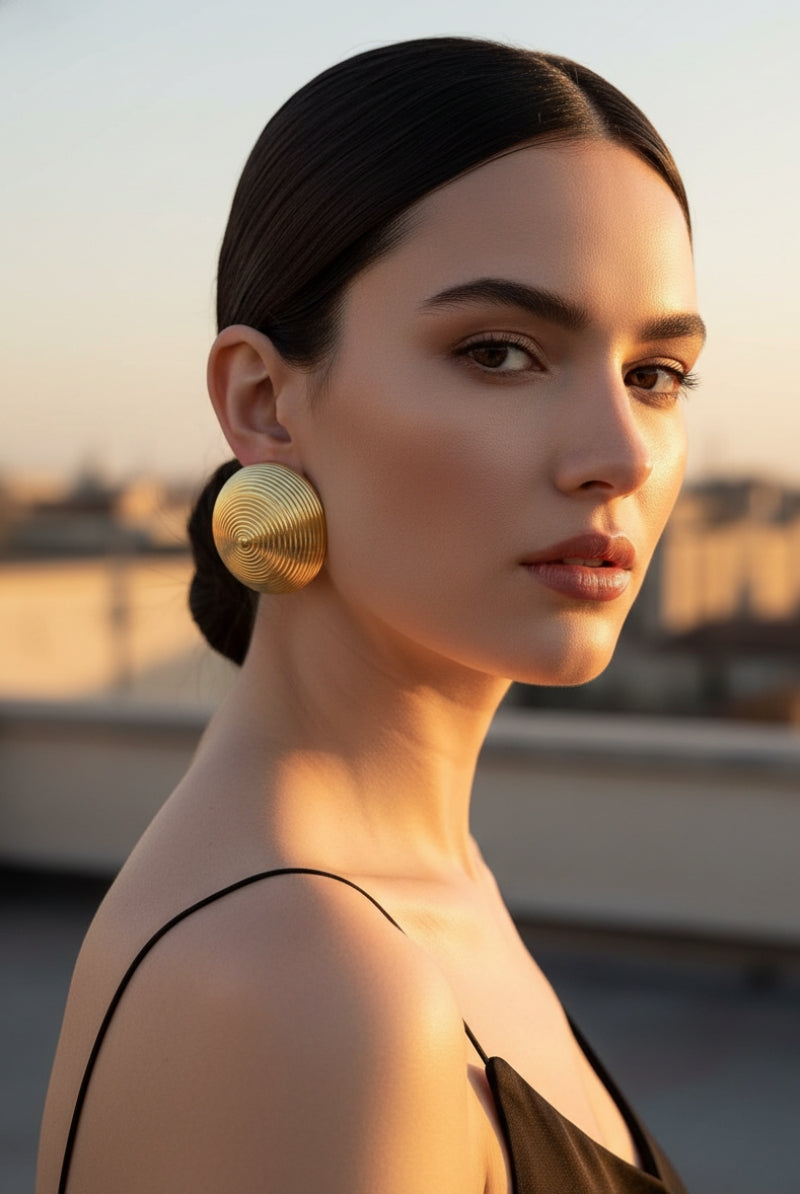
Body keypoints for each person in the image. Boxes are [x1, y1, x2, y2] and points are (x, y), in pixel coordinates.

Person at [36, 36, 705, 1194]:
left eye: (653, 374)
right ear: (264, 402)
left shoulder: (403, 891)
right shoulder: (307, 980)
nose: (619, 455)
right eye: (498, 352)